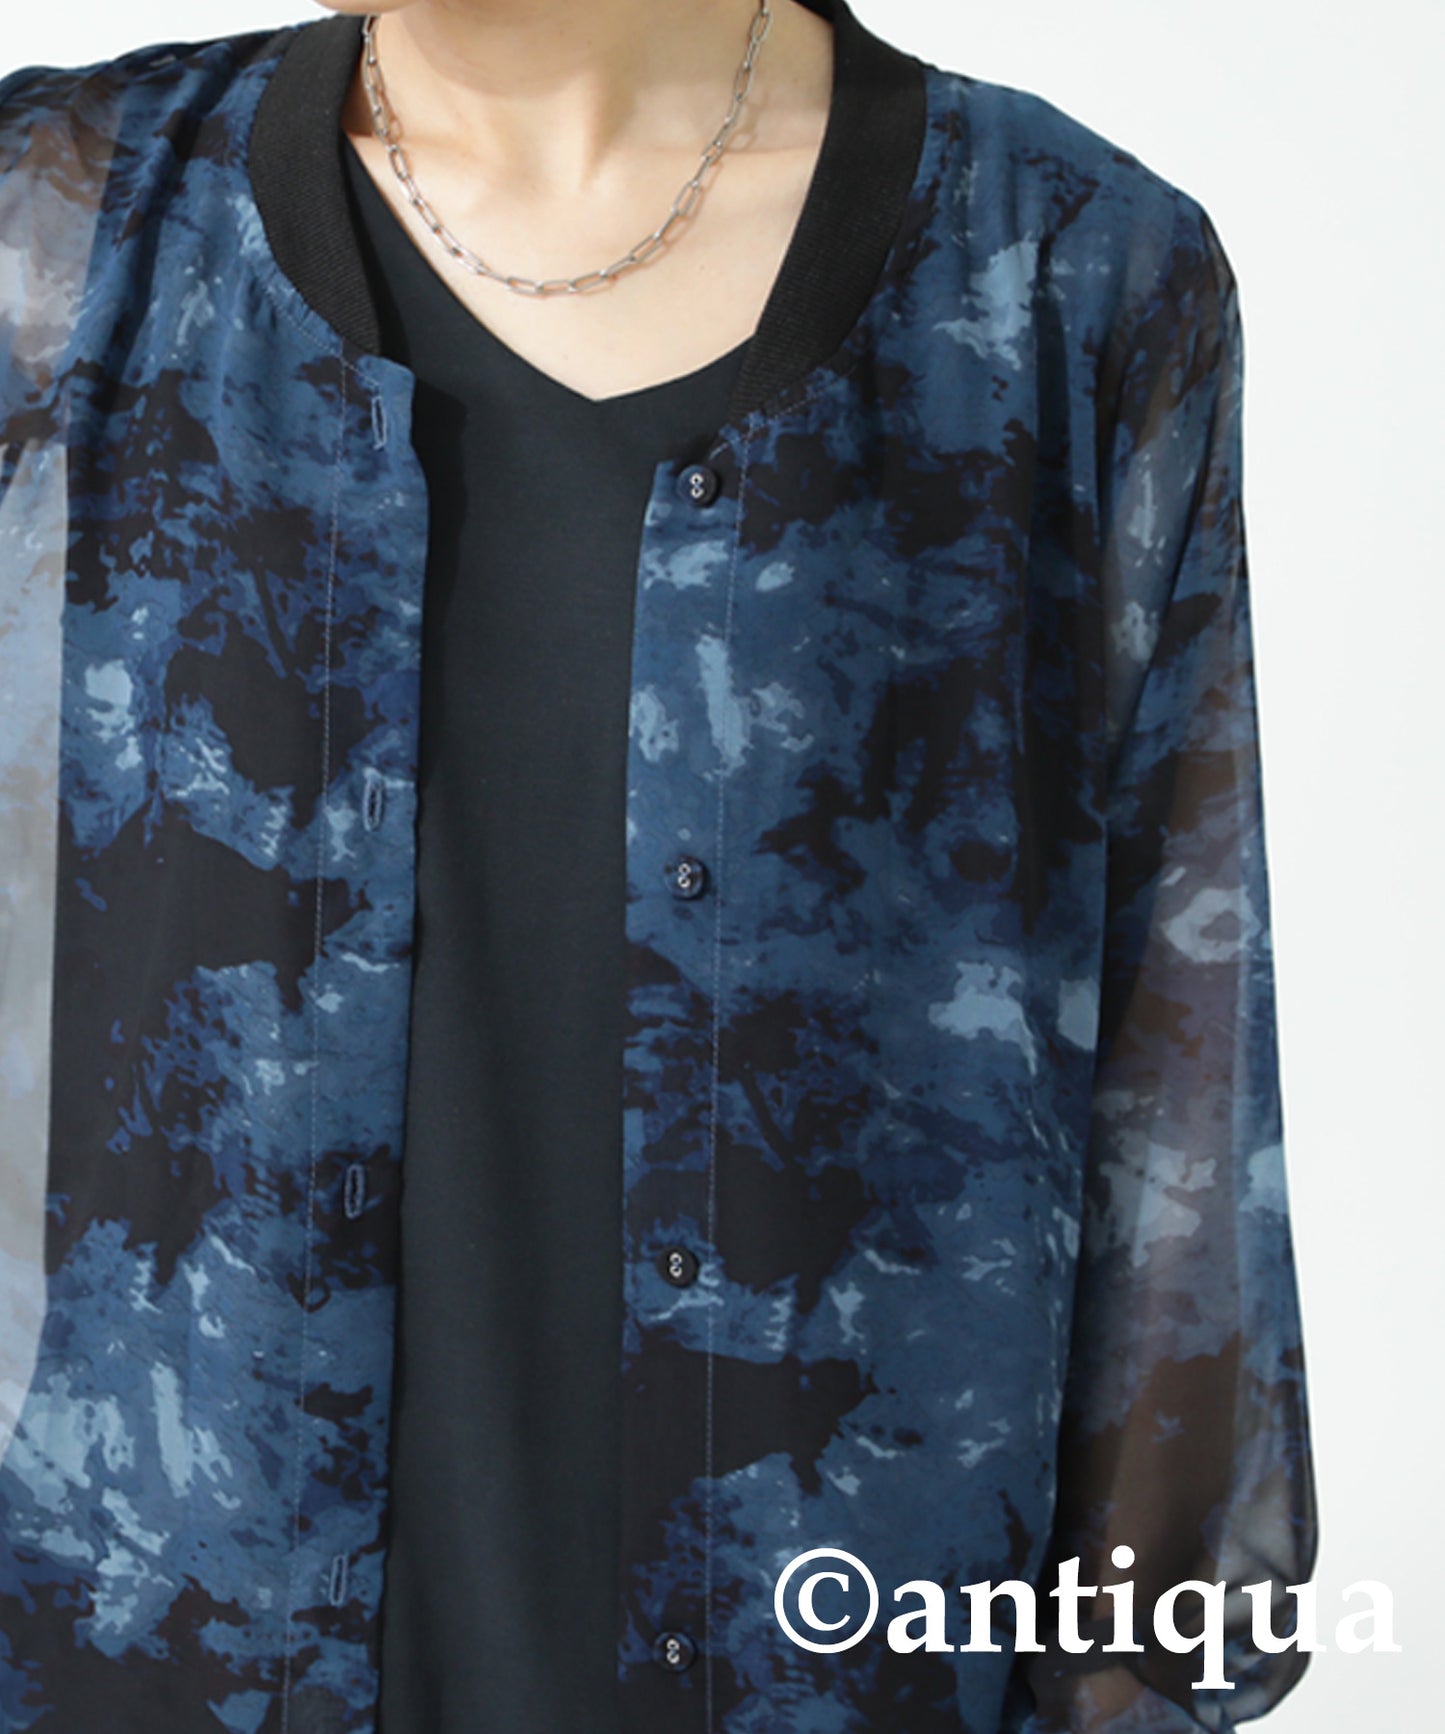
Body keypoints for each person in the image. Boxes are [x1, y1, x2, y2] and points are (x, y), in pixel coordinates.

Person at [0, 2, 1317, 1731]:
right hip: (146, 1653)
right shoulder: (59, 227)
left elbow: (1178, 1064)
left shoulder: (1065, 271)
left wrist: (1137, 1672)